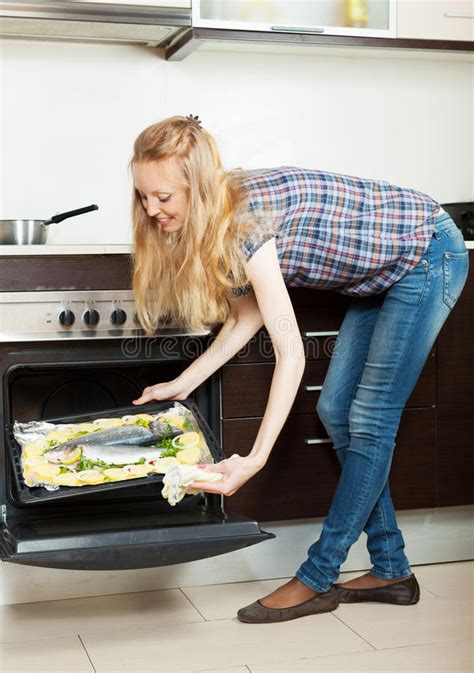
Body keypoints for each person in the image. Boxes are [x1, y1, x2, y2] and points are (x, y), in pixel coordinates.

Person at [130, 114, 469, 624]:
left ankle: (317, 577)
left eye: (164, 197)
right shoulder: (216, 219)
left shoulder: (244, 221)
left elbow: (291, 350)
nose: (152, 209)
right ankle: (392, 569)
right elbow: (248, 316)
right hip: (384, 275)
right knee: (336, 410)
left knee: (371, 420)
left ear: (196, 188)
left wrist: (256, 457)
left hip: (426, 253)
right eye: (143, 197)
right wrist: (183, 382)